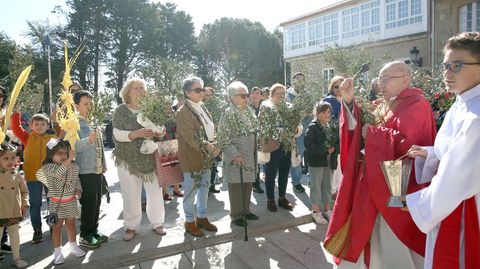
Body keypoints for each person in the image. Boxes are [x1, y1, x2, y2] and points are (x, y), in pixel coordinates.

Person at [323, 61, 437, 269]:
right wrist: (348, 101)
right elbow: (359, 125)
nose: (380, 84)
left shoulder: (417, 104)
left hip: (396, 187)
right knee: (369, 236)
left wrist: (373, 135)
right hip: (372, 182)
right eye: (380, 79)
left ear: (405, 79)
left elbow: (410, 144)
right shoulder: (384, 104)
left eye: (386, 79)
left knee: (391, 244)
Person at [405, 32, 480, 269]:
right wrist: (431, 153)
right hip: (455, 198)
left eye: (457, 65)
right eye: (445, 65)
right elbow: (454, 151)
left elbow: (456, 176)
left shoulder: (475, 116)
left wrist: (417, 203)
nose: (447, 73)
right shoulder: (463, 101)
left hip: (466, 205)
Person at [112, 78, 166, 241]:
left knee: (155, 193)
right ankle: (131, 226)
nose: (140, 90)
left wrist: (158, 132)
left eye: (142, 87)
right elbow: (115, 133)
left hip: (150, 157)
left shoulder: (150, 109)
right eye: (136, 88)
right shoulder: (121, 110)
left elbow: (161, 129)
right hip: (127, 159)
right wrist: (135, 134)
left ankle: (157, 223)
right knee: (131, 194)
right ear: (128, 91)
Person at [177, 76, 218, 237]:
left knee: (204, 187)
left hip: (207, 155)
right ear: (187, 92)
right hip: (192, 155)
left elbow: (210, 128)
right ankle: (189, 221)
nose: (202, 92)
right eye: (197, 89)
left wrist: (215, 142)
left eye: (202, 89)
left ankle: (201, 217)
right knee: (190, 190)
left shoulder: (202, 107)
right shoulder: (183, 111)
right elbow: (189, 135)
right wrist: (206, 145)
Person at [36, 139, 85, 265]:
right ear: (51, 155)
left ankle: (73, 246)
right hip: (56, 203)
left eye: (65, 153)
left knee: (71, 224)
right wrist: (68, 161)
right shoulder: (48, 167)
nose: (64, 156)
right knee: (57, 228)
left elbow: (76, 179)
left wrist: (78, 189)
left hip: (71, 201)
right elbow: (59, 173)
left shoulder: (73, 166)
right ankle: (57, 251)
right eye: (60, 154)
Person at [218, 81, 259, 227]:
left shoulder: (250, 111)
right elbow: (223, 138)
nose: (246, 98)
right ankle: (236, 215)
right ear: (232, 97)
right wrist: (235, 154)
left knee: (248, 184)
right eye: (242, 95)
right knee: (236, 186)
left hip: (250, 155)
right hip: (236, 157)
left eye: (246, 95)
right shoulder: (228, 114)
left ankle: (246, 210)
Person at [11, 111, 55, 243]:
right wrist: (16, 113)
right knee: (35, 204)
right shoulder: (26, 137)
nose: (40, 126)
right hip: (33, 176)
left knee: (52, 202)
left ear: (47, 126)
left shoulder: (52, 138)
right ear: (31, 125)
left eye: (43, 124)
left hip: (49, 175)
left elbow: (63, 131)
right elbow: (15, 128)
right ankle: (37, 229)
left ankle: (54, 226)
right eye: (36, 124)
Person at [73, 90, 108, 248]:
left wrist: (104, 163)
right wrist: (88, 140)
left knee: (97, 201)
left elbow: (100, 145)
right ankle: (85, 235)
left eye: (91, 103)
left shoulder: (93, 122)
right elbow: (73, 148)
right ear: (76, 105)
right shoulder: (74, 123)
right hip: (85, 171)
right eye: (85, 104)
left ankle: (94, 230)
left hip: (97, 169)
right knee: (88, 203)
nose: (89, 106)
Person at [258, 83, 294, 212]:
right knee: (271, 173)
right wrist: (279, 133)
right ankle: (270, 199)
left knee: (284, 172)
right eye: (277, 94)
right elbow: (263, 126)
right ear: (271, 95)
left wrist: (295, 129)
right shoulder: (266, 106)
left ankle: (282, 197)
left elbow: (294, 123)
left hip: (287, 144)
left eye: (283, 94)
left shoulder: (289, 107)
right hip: (273, 145)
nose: (280, 96)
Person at [304, 101, 337, 224]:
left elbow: (336, 142)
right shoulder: (312, 127)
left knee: (328, 186)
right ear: (317, 113)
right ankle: (316, 211)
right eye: (323, 112)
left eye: (328, 112)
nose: (326, 115)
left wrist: (334, 149)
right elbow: (309, 146)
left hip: (328, 161)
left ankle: (327, 209)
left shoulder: (330, 126)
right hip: (317, 162)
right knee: (316, 186)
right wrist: (325, 150)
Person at [0, 143, 29, 268]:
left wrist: (25, 203)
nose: (10, 161)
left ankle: (17, 258)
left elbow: (24, 191)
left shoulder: (17, 174)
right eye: (5, 158)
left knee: (15, 236)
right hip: (1, 210)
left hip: (14, 210)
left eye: (13, 158)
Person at [285, 72, 308, 193]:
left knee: (308, 156)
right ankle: (296, 182)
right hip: (296, 132)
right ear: (293, 81)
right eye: (298, 79)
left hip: (308, 130)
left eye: (302, 79)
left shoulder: (308, 95)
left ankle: (311, 179)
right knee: (297, 156)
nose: (300, 81)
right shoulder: (288, 95)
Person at [324, 76, 344, 199]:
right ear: (332, 87)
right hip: (335, 137)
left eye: (341, 86)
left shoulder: (345, 99)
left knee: (341, 165)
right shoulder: (330, 100)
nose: (338, 89)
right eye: (335, 86)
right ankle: (333, 190)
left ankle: (339, 188)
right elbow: (330, 120)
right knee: (335, 165)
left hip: (345, 137)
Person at [203, 86, 222, 195]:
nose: (209, 97)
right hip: (205, 141)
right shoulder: (201, 107)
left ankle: (212, 185)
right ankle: (205, 187)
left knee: (214, 164)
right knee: (207, 165)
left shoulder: (216, 108)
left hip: (215, 139)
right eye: (207, 95)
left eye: (211, 95)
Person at [248, 86, 265, 194]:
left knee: (259, 160)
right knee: (253, 161)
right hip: (250, 138)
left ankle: (256, 182)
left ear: (261, 96)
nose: (255, 95)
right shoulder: (247, 108)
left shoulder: (264, 107)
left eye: (257, 93)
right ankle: (255, 183)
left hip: (262, 137)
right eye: (253, 93)